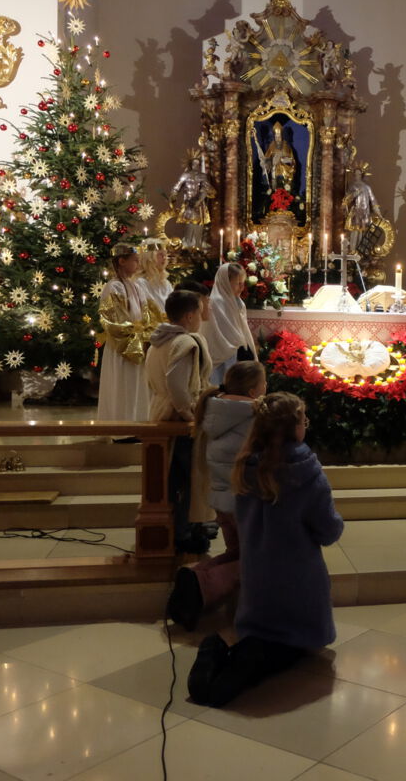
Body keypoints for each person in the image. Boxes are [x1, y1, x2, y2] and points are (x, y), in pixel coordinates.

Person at [188, 392, 344, 708]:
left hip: (258, 572)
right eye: (304, 419)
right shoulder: (306, 471)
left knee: (262, 644)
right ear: (294, 428)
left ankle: (228, 657)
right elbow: (328, 530)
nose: (306, 424)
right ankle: (216, 664)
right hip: (297, 580)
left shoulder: (247, 465)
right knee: (281, 651)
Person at [168, 360, 267, 632]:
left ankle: (195, 574)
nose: (266, 388)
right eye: (263, 384)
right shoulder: (254, 416)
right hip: (245, 502)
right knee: (255, 559)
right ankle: (202, 586)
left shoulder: (213, 408)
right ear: (252, 391)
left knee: (236, 552)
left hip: (221, 501)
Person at [146, 290, 214, 555]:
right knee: (189, 479)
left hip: (159, 410)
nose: (200, 317)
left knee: (171, 478)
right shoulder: (185, 343)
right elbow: (177, 384)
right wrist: (189, 414)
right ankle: (184, 533)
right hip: (178, 418)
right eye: (199, 311)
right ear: (189, 315)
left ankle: (175, 529)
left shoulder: (158, 341)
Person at [97, 244, 163, 423]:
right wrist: (135, 338)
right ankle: (120, 425)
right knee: (123, 386)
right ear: (122, 261)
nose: (138, 264)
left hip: (139, 342)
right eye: (135, 261)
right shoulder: (114, 287)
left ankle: (138, 422)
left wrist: (149, 333)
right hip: (123, 346)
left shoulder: (136, 287)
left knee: (137, 386)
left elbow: (149, 314)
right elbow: (115, 320)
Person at [202, 262, 259, 386]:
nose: (242, 287)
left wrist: (246, 346)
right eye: (238, 283)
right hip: (221, 356)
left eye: (243, 283)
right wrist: (236, 344)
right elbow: (216, 333)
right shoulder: (216, 302)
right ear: (226, 282)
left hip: (237, 352)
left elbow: (242, 328)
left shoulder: (238, 302)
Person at [141, 242, 173, 311]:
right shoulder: (141, 282)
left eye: (165, 255)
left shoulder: (166, 283)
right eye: (161, 254)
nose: (165, 258)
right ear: (150, 257)